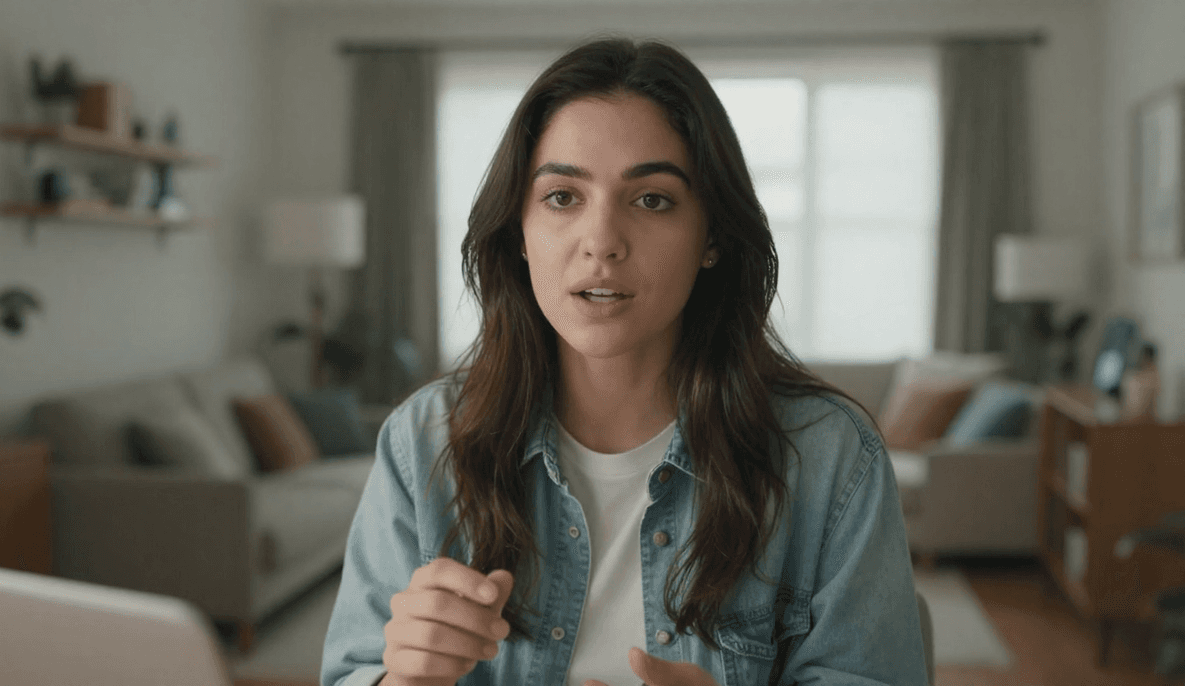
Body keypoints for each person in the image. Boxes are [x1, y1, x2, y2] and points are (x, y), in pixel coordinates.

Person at [322, 35, 928, 686]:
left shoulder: (831, 456)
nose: (603, 242)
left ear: (713, 238)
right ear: (519, 231)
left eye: (652, 199)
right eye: (562, 197)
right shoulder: (423, 442)